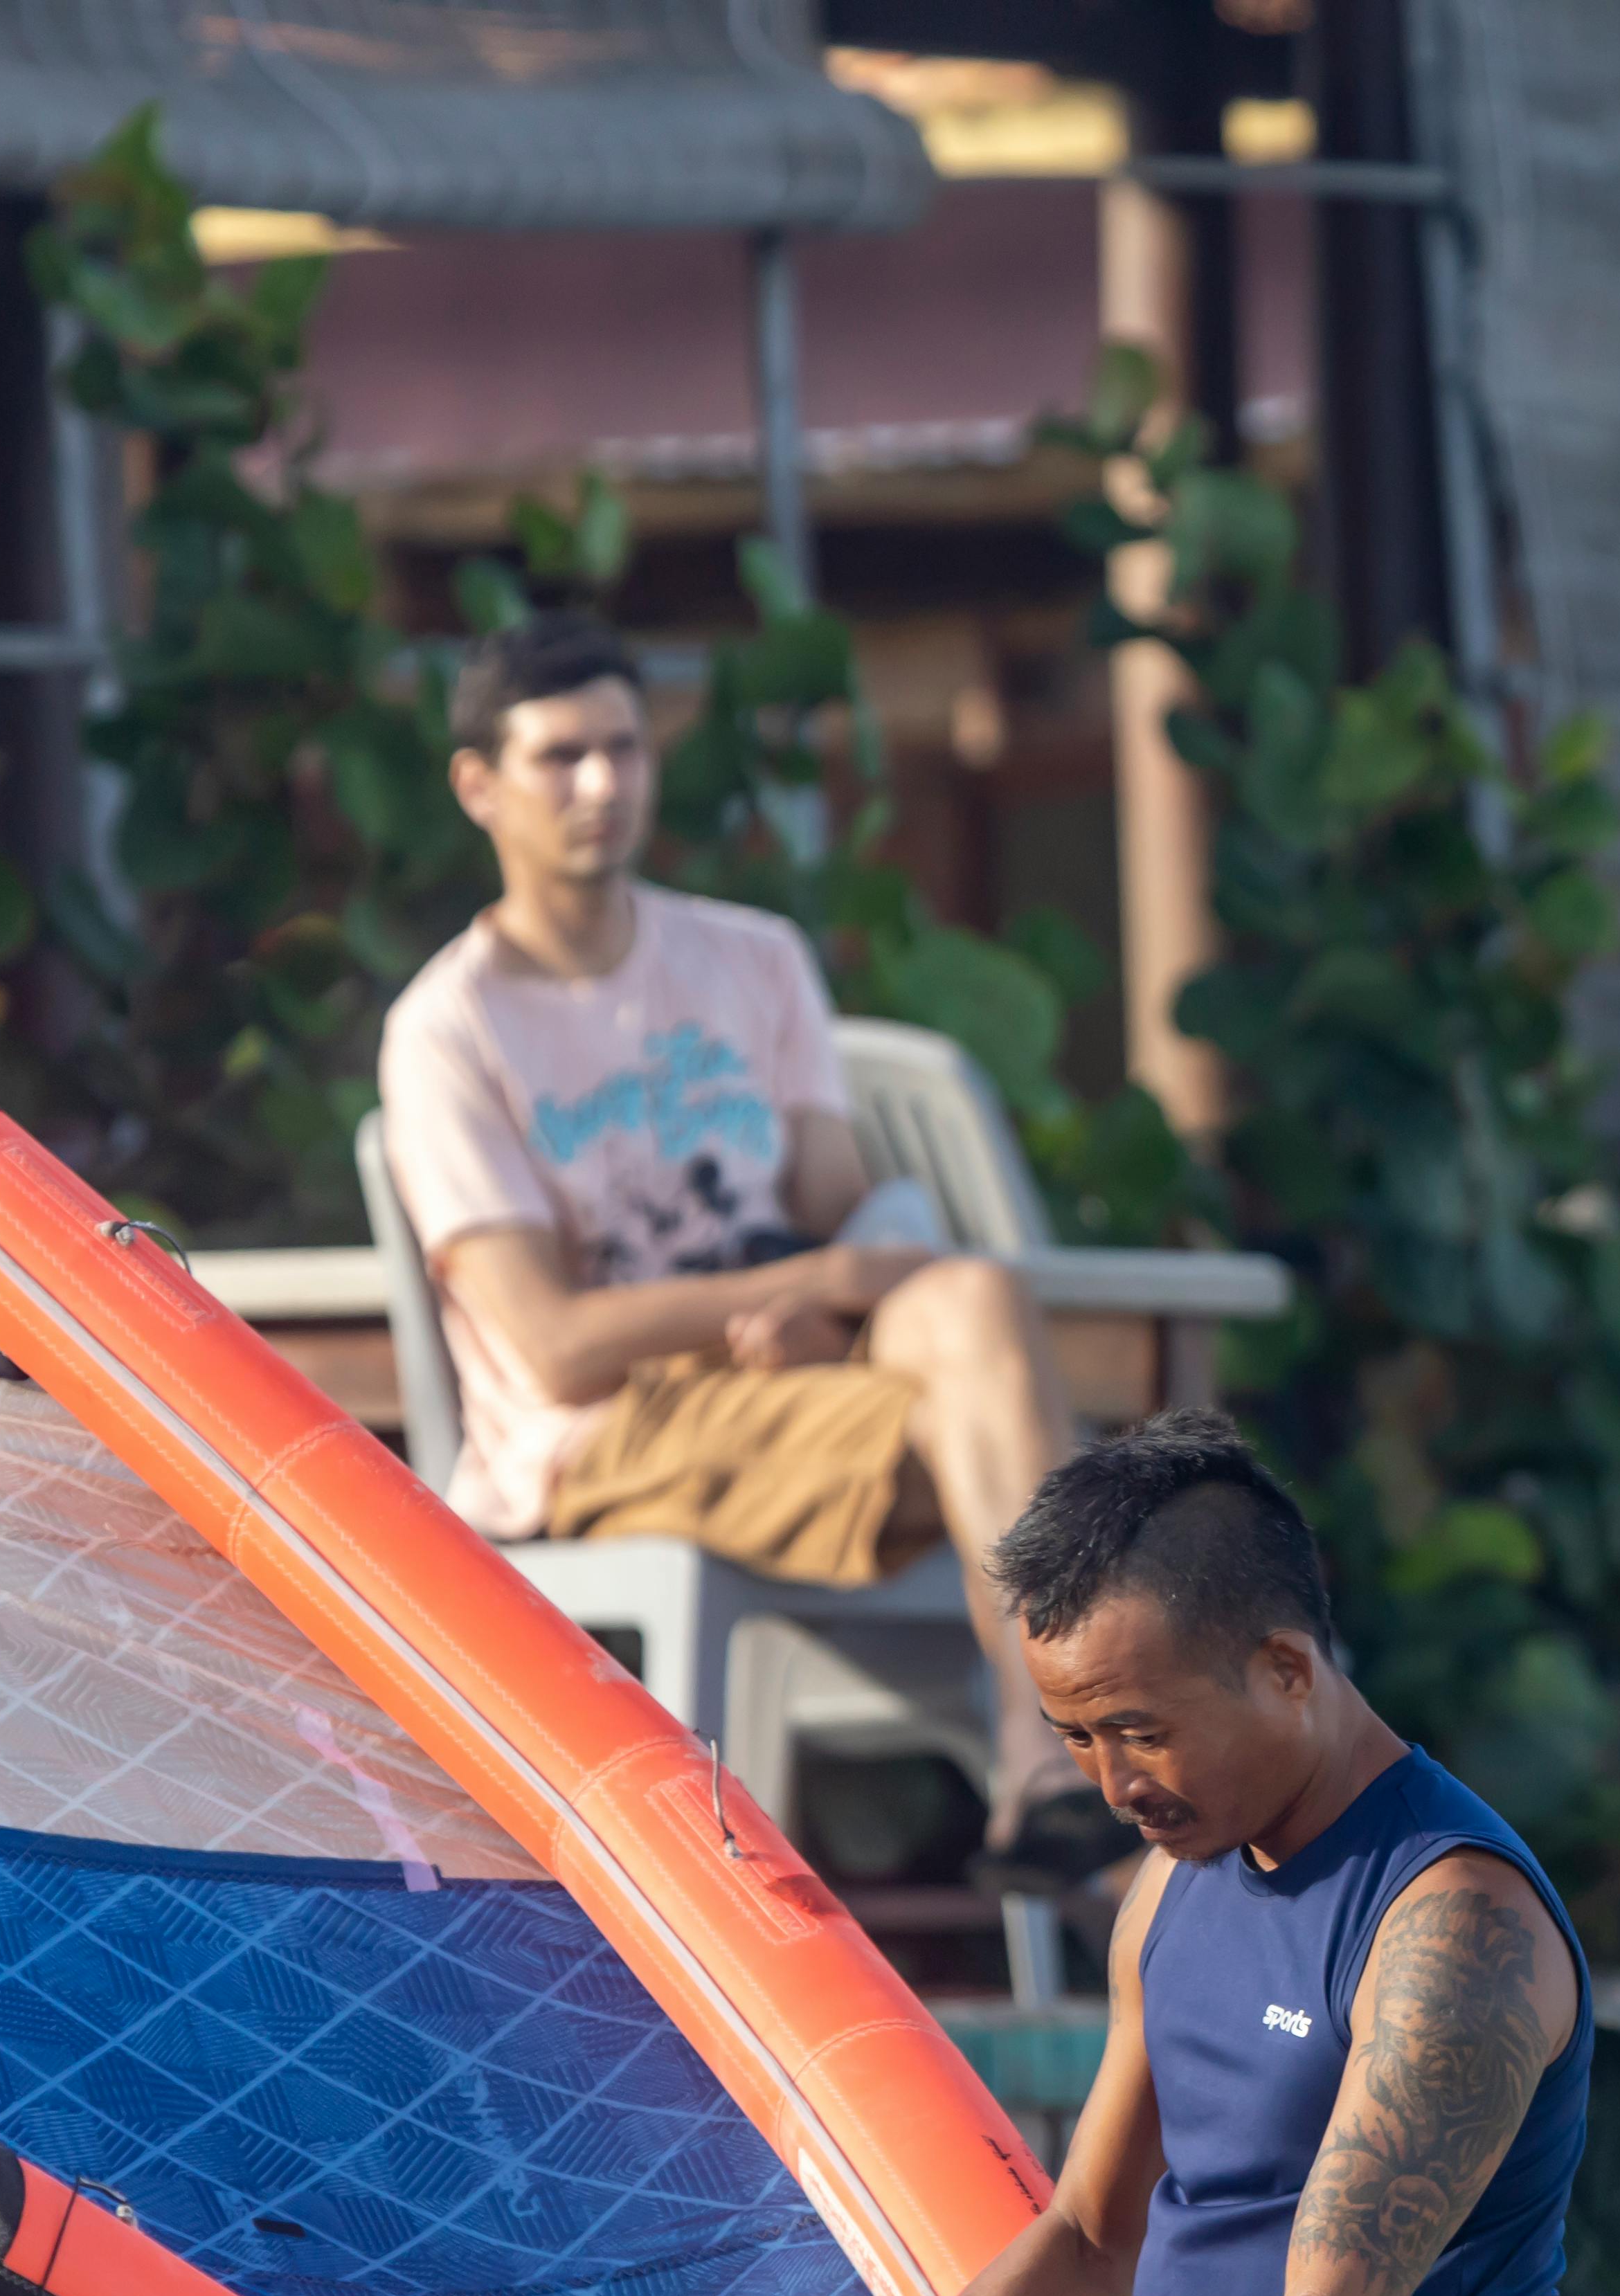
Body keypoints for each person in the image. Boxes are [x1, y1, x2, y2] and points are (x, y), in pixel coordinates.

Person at [765, 1413, 1589, 2296]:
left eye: (1141, 1726)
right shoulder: (1180, 1884)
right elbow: (1089, 2252)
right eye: (1077, 1734)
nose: (1111, 1778)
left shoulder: (1450, 1926)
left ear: (1287, 1665)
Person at [375, 610, 1113, 1882]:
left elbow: (844, 1203)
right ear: (478, 787)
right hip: (606, 1438)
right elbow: (551, 1347)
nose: (605, 784)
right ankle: (1072, 1769)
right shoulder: (448, 1027)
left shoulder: (751, 960)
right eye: (563, 758)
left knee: (974, 1306)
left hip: (799, 1380)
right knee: (1075, 1483)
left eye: (625, 748)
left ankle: (1059, 1777)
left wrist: (833, 1298)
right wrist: (798, 1291)